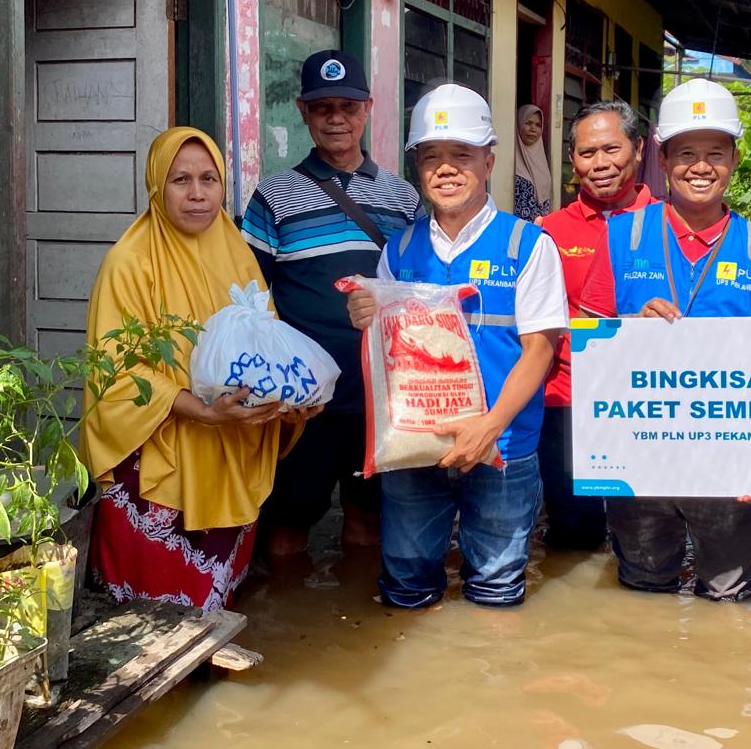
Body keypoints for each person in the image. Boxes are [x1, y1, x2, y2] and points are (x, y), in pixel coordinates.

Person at [345, 83, 568, 607]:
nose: (445, 168)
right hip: (415, 449)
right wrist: (365, 313)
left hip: (502, 448)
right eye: (431, 156)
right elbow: (388, 350)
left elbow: (541, 351)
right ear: (418, 168)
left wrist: (489, 425)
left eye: (461, 155)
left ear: (489, 161)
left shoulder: (528, 245)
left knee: (497, 589)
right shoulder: (398, 250)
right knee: (406, 585)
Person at [579, 79, 751, 600]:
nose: (701, 167)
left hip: (729, 465)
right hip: (641, 460)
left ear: (735, 158)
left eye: (715, 154)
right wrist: (627, 328)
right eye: (686, 154)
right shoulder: (622, 237)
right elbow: (585, 342)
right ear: (663, 158)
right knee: (640, 589)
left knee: (730, 595)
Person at [82, 127, 316, 613]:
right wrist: (200, 411)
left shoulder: (237, 255)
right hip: (161, 457)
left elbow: (266, 345)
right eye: (180, 179)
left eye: (209, 178)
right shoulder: (129, 263)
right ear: (155, 186)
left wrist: (288, 397)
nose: (197, 193)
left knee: (215, 613)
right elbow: (116, 372)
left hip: (230, 448)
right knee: (149, 626)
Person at [241, 50, 421, 556]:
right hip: (304, 402)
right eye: (323, 108)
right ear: (302, 111)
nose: (336, 118)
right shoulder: (273, 196)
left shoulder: (403, 198)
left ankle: (360, 629)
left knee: (368, 521)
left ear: (368, 109)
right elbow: (251, 298)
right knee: (287, 528)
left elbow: (414, 291)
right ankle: (288, 631)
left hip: (380, 396)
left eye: (348, 105)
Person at [538, 98, 653, 550]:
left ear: (638, 149)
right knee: (572, 537)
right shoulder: (545, 231)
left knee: (647, 539)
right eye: (587, 153)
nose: (600, 164)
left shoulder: (671, 225)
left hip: (646, 404)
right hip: (564, 403)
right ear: (572, 159)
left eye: (612, 149)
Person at [514, 103, 553, 222]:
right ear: (518, 123)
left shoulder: (541, 162)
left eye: (538, 125)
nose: (533, 129)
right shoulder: (509, 160)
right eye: (528, 123)